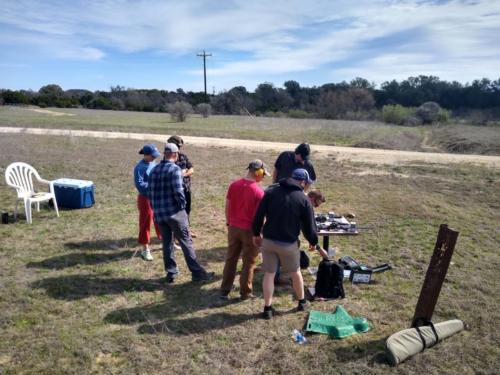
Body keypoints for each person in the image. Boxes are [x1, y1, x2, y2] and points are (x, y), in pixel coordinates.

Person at [252, 168, 328, 319]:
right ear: (302, 182)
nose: (308, 187)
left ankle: (267, 308)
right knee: (295, 273)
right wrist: (313, 242)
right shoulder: (303, 199)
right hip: (288, 244)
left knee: (269, 274)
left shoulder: (271, 192)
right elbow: (309, 226)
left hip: (268, 242)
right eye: (307, 184)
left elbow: (258, 215)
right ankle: (301, 302)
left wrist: (256, 233)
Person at [147, 143, 214, 283]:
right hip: (175, 213)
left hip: (159, 214)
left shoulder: (154, 170)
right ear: (175, 154)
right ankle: (197, 274)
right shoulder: (175, 169)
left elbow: (150, 194)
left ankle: (171, 273)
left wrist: (156, 209)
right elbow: (179, 192)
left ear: (164, 154)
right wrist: (182, 207)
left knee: (167, 243)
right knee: (186, 242)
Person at [220, 159, 269, 300]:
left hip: (233, 228)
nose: (263, 177)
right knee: (249, 261)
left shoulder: (233, 185)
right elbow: (260, 217)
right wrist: (258, 233)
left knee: (231, 258)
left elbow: (227, 207)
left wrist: (229, 223)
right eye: (263, 174)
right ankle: (245, 293)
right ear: (258, 172)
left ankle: (224, 290)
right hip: (249, 231)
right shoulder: (259, 192)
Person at [134, 143, 162, 261]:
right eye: (153, 155)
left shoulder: (153, 163)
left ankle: (165, 240)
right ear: (146, 155)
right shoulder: (139, 167)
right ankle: (145, 249)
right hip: (145, 198)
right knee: (145, 223)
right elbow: (140, 185)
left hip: (155, 196)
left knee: (160, 219)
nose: (155, 157)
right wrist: (153, 186)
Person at [166, 136, 195, 229]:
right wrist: (182, 172)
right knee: (177, 212)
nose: (179, 149)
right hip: (175, 190)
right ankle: (177, 232)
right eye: (178, 147)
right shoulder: (167, 158)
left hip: (186, 188)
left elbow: (191, 169)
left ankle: (187, 230)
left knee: (187, 210)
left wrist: (184, 174)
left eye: (179, 147)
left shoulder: (183, 156)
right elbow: (170, 173)